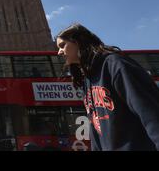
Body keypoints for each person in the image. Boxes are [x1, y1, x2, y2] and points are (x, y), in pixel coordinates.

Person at [56, 23, 159, 151]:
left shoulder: (114, 65)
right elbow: (96, 130)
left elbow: (150, 113)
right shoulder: (87, 79)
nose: (59, 52)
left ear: (78, 42)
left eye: (62, 45)